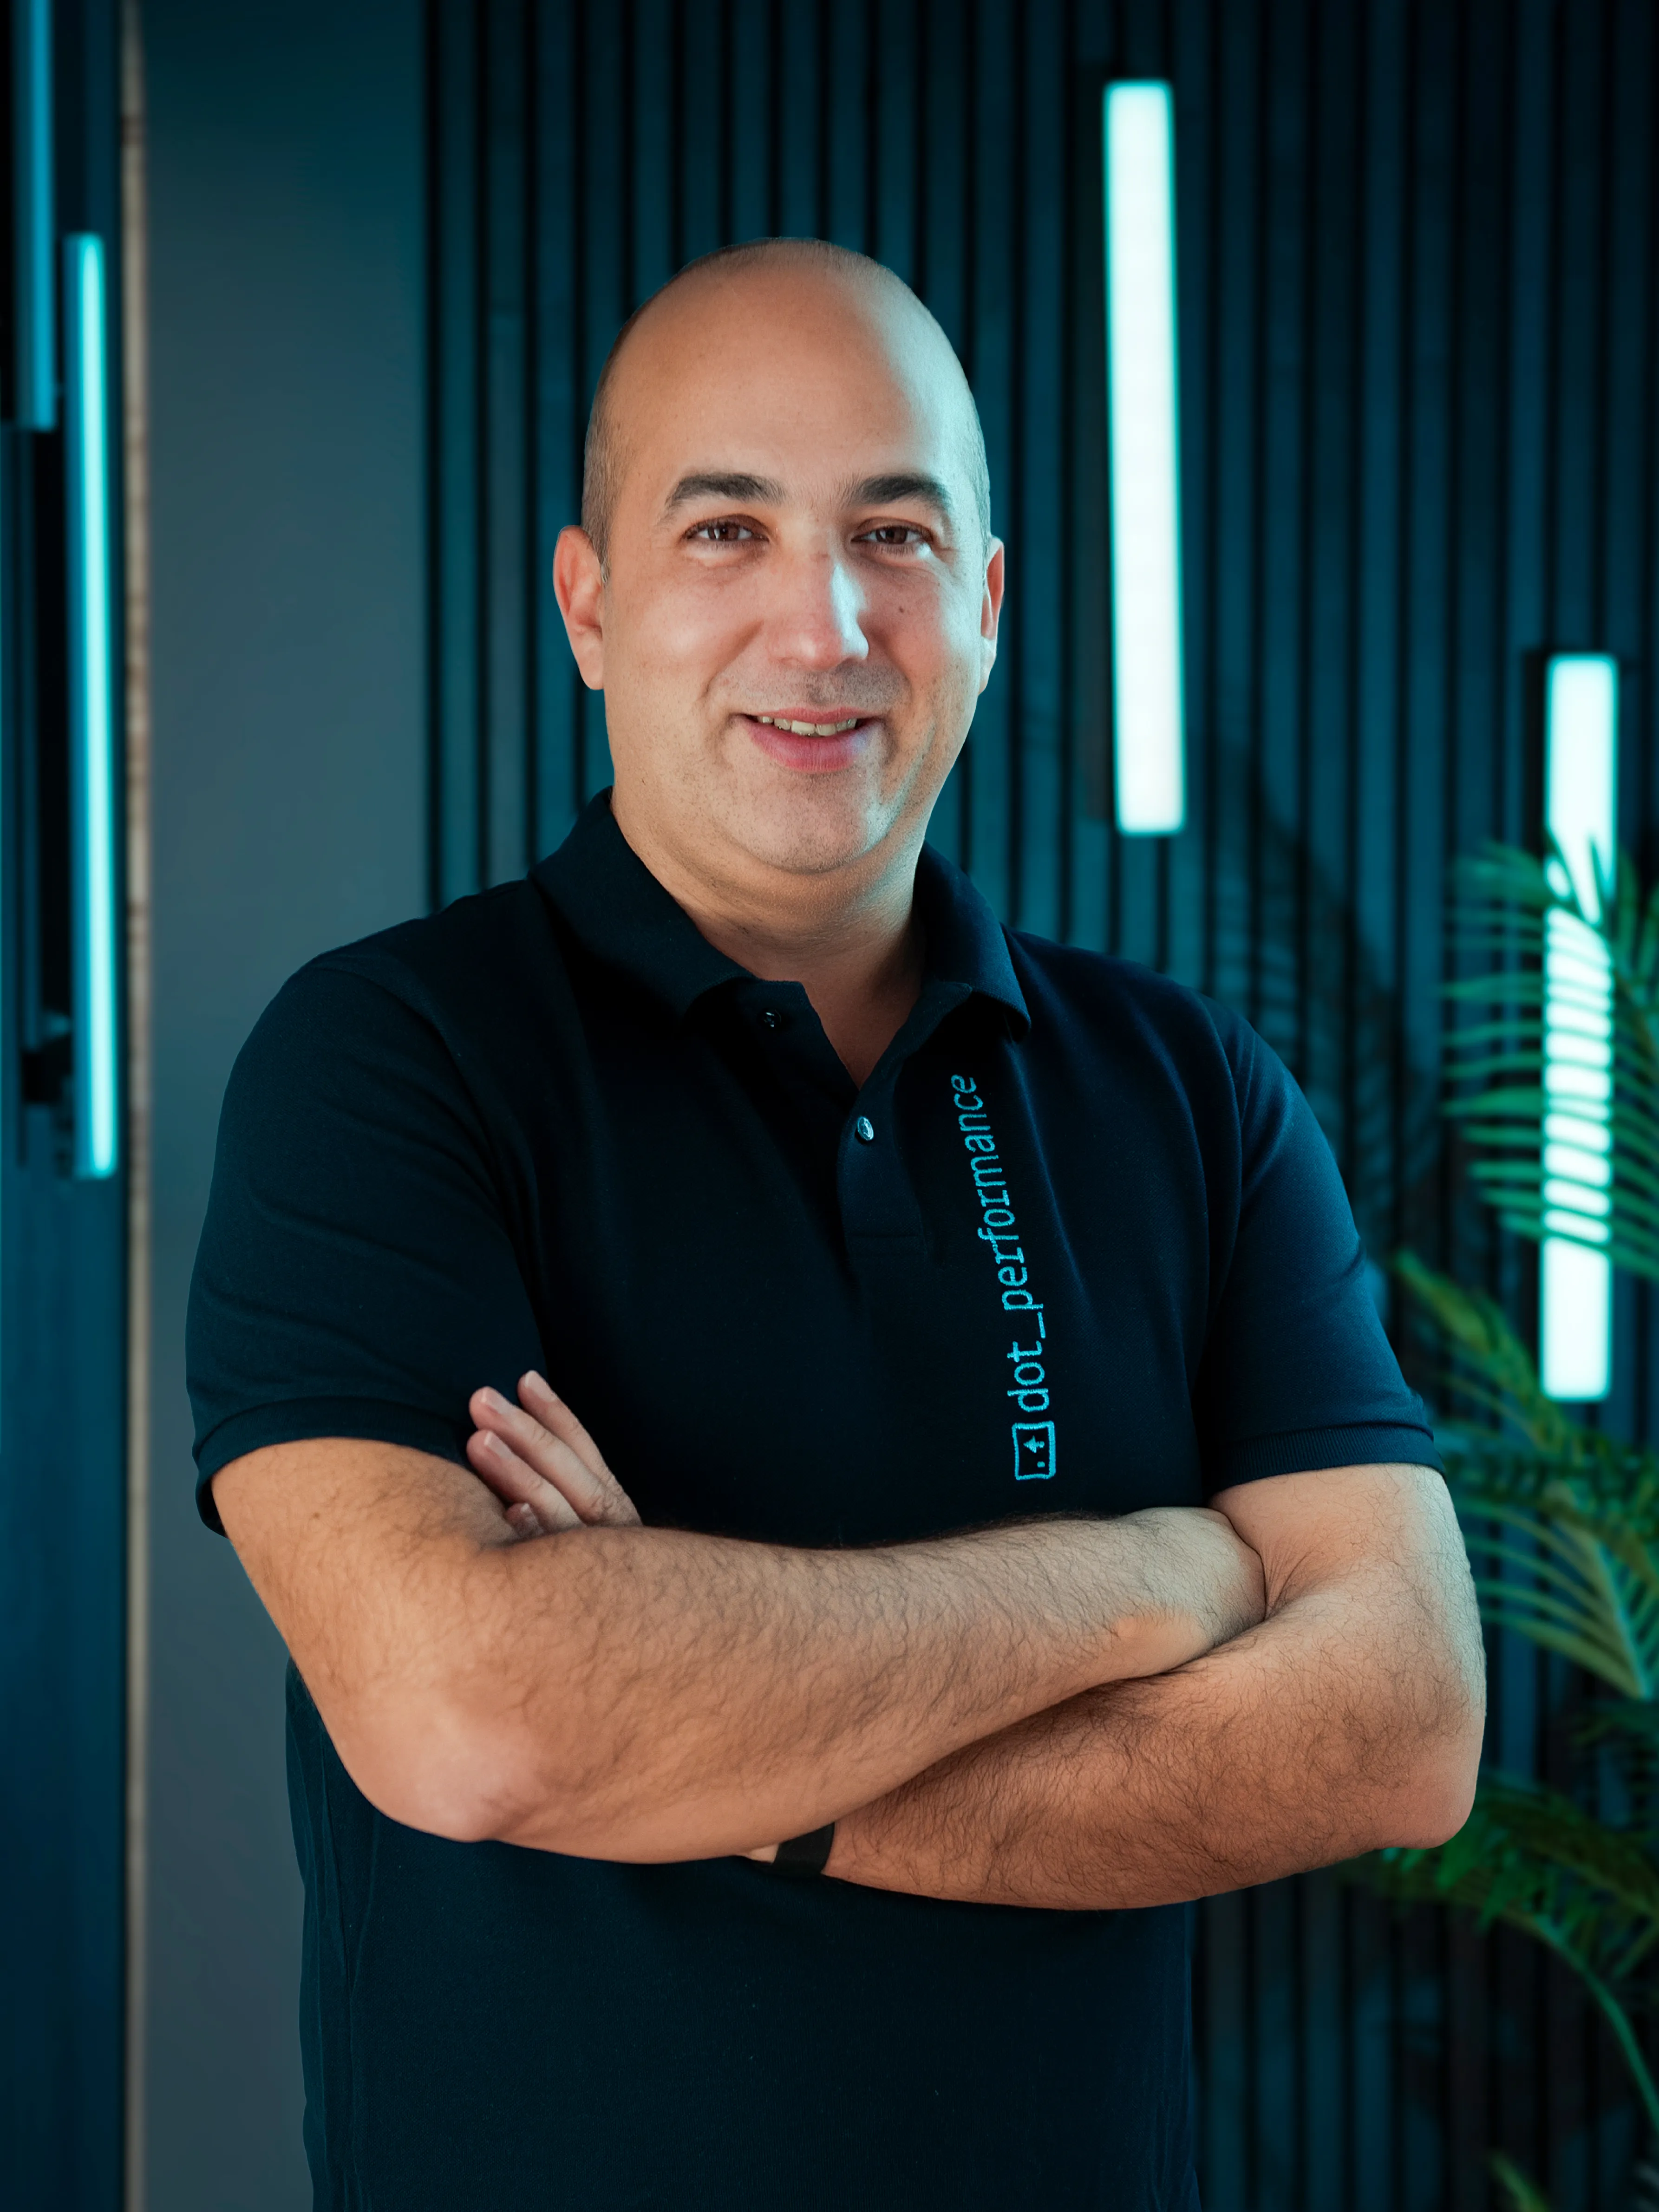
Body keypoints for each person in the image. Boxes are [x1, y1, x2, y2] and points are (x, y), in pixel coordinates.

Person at [192, 238, 1484, 2211]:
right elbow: (468, 1712)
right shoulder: (388, 1061)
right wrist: (1139, 1581)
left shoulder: (1189, 1093)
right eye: (727, 529)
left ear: (980, 598)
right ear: (590, 602)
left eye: (892, 532)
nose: (822, 621)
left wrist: (710, 1751)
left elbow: (1393, 1731)